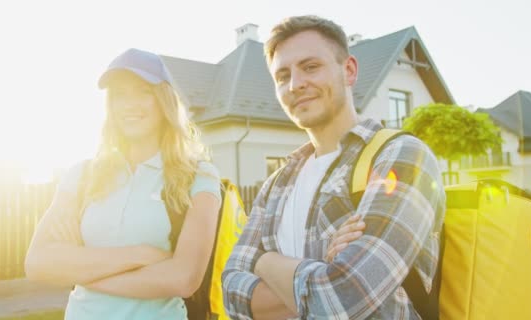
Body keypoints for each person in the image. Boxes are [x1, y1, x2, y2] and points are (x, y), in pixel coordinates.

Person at [222, 15, 446, 319]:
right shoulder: (277, 183)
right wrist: (323, 272)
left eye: (311, 67)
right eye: (282, 76)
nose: (296, 84)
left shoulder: (400, 156)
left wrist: (264, 262)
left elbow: (342, 298)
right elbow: (231, 292)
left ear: (349, 70)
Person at [25, 48, 222, 319]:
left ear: (163, 100)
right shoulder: (81, 175)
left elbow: (184, 278)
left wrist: (81, 271)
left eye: (143, 91)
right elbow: (37, 262)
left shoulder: (199, 175)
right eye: (120, 95)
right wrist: (141, 254)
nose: (130, 104)